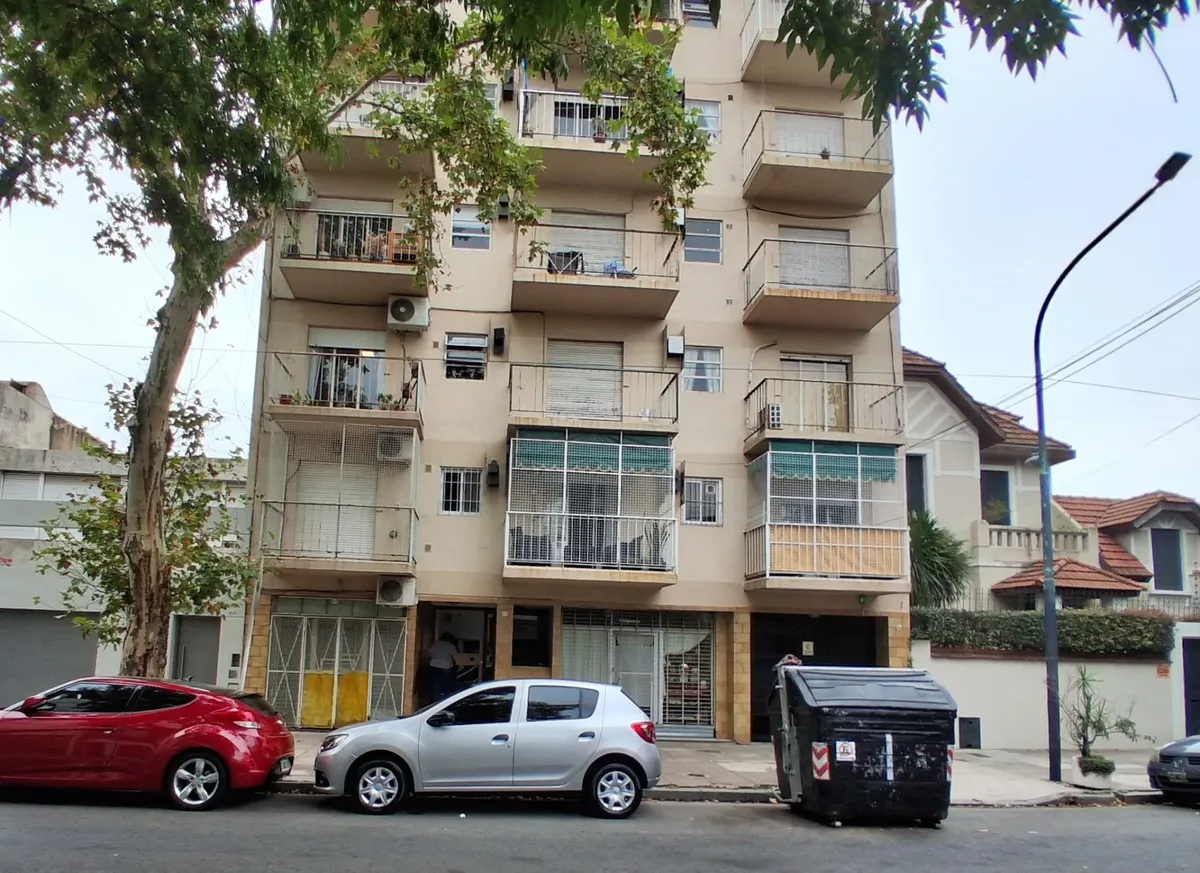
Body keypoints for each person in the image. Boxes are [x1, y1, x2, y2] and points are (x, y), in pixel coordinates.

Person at [428, 632, 459, 703]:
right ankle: (445, 702)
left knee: (435, 686)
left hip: (434, 666)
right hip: (446, 666)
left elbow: (429, 653)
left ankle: (435, 702)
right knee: (447, 686)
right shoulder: (450, 645)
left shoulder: (436, 644)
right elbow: (456, 655)